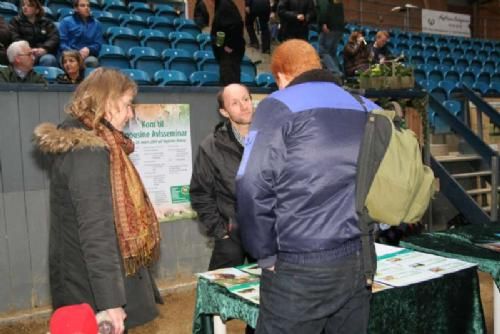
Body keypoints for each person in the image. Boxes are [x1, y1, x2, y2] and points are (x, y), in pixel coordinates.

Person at [236, 39, 380, 334]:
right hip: (359, 258)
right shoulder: (365, 105)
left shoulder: (278, 105)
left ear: (281, 76)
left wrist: (265, 253)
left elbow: (250, 183)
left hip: (300, 265)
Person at [33, 68, 162, 332]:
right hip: (91, 291)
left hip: (90, 282)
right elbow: (97, 231)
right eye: (127, 105)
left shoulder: (99, 145)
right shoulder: (89, 152)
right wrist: (111, 302)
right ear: (107, 102)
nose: (131, 113)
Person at [190, 83, 255, 270]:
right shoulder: (211, 146)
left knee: (271, 295)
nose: (244, 106)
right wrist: (221, 231)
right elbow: (200, 194)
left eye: (245, 99)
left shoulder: (271, 137)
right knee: (221, 291)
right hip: (231, 235)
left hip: (267, 233)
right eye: (234, 103)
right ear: (224, 112)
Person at [9, 0, 59, 67]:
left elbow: (54, 37)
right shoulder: (15, 21)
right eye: (23, 5)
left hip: (41, 53)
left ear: (37, 10)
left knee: (49, 59)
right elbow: (14, 37)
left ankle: (41, 77)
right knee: (21, 58)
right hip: (23, 53)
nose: (25, 7)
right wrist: (27, 50)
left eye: (29, 5)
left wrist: (44, 49)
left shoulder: (46, 22)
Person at [58, 0, 103, 68]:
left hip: (87, 56)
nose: (87, 8)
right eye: (82, 5)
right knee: (70, 61)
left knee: (92, 61)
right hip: (69, 54)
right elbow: (62, 43)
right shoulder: (66, 21)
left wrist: (89, 49)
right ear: (76, 9)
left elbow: (97, 44)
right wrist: (74, 53)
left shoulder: (97, 24)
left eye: (88, 6)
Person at [211, 0, 245, 85]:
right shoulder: (224, 4)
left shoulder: (224, 5)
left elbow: (224, 29)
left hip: (229, 54)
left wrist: (224, 45)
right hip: (229, 52)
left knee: (229, 83)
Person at [316, 0, 344, 78]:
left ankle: (335, 72)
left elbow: (323, 10)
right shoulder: (339, 2)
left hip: (329, 27)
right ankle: (338, 72)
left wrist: (323, 23)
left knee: (323, 51)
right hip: (339, 28)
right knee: (332, 53)